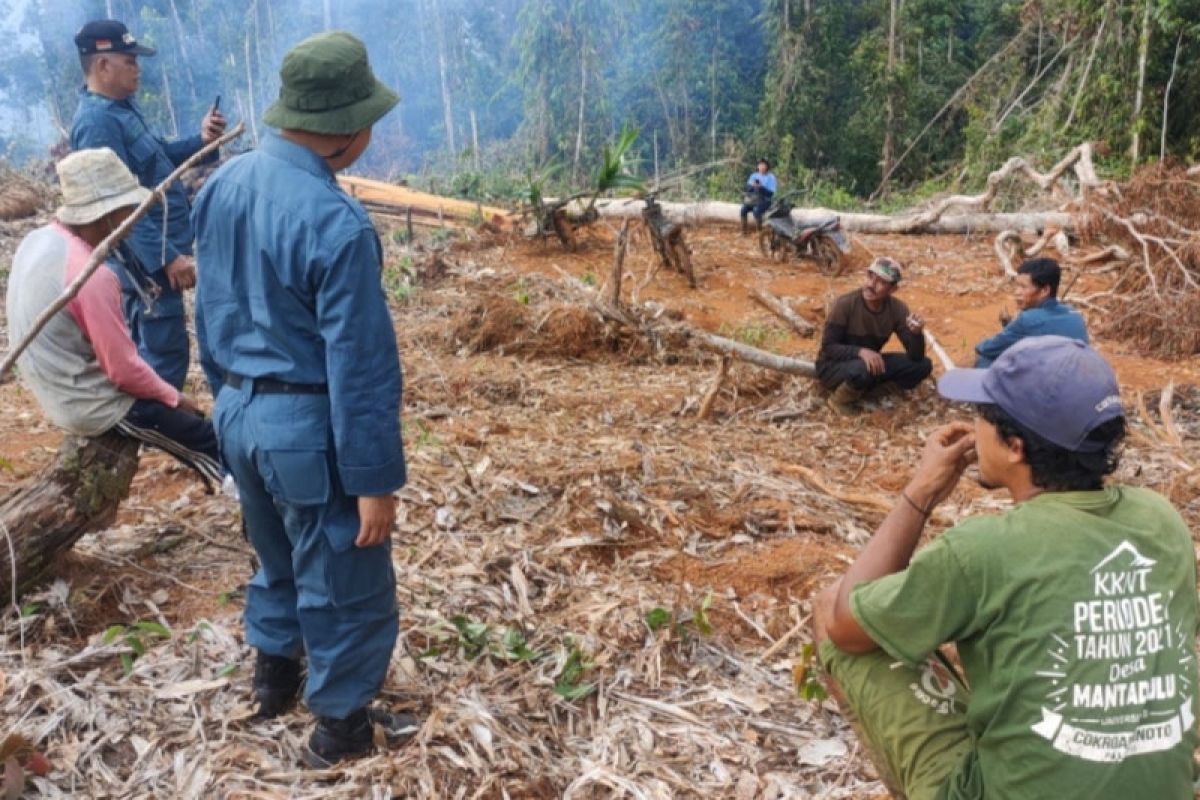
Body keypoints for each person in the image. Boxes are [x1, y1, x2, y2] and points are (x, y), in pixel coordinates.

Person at [812, 336, 1199, 800]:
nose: (974, 427)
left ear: (1014, 446)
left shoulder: (984, 549)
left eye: (982, 416)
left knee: (832, 610)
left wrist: (921, 491)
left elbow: (844, 623)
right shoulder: (1161, 519)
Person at [192, 31, 412, 768]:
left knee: (274, 554)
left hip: (240, 416)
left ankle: (272, 678)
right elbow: (361, 368)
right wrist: (374, 482)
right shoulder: (338, 224)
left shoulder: (221, 184)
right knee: (345, 582)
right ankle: (340, 730)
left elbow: (209, 316)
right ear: (350, 128)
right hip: (305, 429)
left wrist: (231, 406)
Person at [5, 148, 221, 487]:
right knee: (207, 441)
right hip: (91, 403)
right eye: (126, 211)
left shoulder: (38, 240)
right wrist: (175, 397)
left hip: (57, 387)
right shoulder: (91, 275)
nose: (130, 220)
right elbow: (122, 370)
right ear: (106, 214)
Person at [70, 19, 227, 390]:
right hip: (142, 271)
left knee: (163, 360)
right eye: (130, 60)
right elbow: (114, 207)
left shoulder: (121, 110)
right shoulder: (97, 123)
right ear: (103, 65)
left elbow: (161, 161)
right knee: (159, 365)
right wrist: (166, 257)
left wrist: (202, 141)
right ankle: (143, 443)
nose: (138, 69)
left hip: (155, 262)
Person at [818, 256, 932, 415]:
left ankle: (872, 393)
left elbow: (916, 357)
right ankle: (839, 400)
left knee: (923, 365)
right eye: (870, 277)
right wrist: (861, 352)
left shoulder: (897, 309)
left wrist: (916, 334)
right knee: (863, 369)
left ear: (893, 289)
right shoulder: (845, 304)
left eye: (881, 282)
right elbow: (829, 347)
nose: (871, 285)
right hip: (833, 367)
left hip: (869, 364)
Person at [974, 257, 1088, 367]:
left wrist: (979, 346)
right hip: (1077, 377)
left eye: (1023, 287)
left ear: (1045, 290)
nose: (1017, 292)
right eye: (1017, 286)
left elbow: (989, 349)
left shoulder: (1028, 320)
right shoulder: (1074, 314)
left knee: (985, 359)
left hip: (1047, 382)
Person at [740, 158, 777, 234]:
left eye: (764, 165)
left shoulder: (771, 177)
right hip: (753, 200)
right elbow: (747, 189)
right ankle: (744, 231)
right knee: (743, 209)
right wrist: (753, 186)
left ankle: (759, 232)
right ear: (757, 166)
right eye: (760, 165)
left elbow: (770, 193)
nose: (762, 167)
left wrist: (761, 187)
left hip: (765, 200)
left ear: (767, 167)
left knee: (756, 210)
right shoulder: (753, 175)